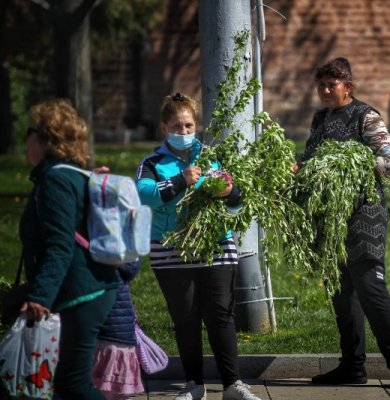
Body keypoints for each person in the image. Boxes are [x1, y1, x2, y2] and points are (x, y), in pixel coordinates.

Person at [135, 92, 261, 400]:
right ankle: (194, 385)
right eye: (177, 127)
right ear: (164, 128)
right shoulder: (152, 162)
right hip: (171, 249)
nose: (185, 133)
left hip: (216, 244)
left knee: (221, 314)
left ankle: (233, 385)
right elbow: (144, 194)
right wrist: (181, 180)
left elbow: (239, 200)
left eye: (190, 126)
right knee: (186, 318)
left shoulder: (212, 156)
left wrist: (229, 193)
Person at [299, 57, 390, 389]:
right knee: (341, 291)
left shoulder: (367, 116)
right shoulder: (320, 117)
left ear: (348, 87)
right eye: (320, 85)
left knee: (370, 287)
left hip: (365, 215)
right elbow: (310, 156)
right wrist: (297, 169)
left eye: (330, 85)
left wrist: (348, 167)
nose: (323, 90)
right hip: (331, 216)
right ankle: (352, 366)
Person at [19, 99, 119, 399]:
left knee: (73, 385)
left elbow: (60, 246)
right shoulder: (68, 174)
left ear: (45, 140)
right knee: (64, 386)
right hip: (84, 289)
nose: (26, 141)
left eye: (30, 133)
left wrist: (40, 297)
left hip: (82, 293)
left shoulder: (56, 180)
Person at [92, 260, 145, 400]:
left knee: (105, 389)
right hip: (120, 334)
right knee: (118, 391)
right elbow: (132, 265)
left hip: (108, 333)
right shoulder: (123, 257)